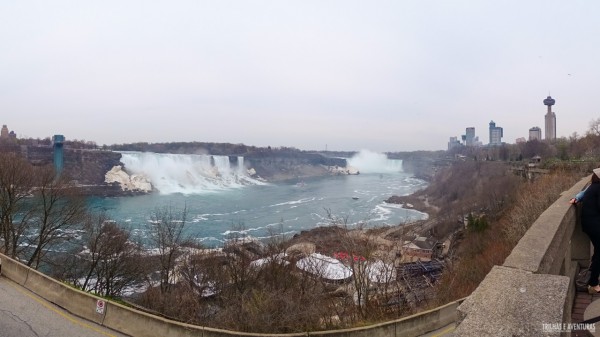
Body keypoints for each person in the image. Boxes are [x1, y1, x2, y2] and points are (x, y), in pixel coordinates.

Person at [571, 168, 600, 293]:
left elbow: (584, 194)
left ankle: (592, 271)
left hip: (590, 223)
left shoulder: (593, 186)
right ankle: (593, 283)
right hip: (594, 225)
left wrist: (577, 198)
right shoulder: (598, 188)